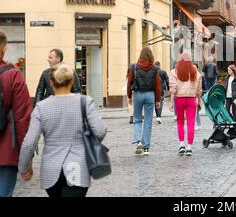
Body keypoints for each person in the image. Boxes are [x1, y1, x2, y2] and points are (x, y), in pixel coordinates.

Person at [18, 64, 107, 197]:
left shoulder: (41, 107)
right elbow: (100, 131)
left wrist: (24, 167)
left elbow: (29, 142)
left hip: (51, 168)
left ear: (51, 83)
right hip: (78, 166)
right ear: (72, 81)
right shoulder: (85, 102)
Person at [0, 32, 33, 197]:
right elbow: (23, 120)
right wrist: (26, 159)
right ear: (4, 49)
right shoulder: (13, 75)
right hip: (5, 152)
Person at [127, 47, 161, 155]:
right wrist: (158, 100)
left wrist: (129, 96)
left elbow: (129, 82)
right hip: (150, 95)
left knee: (137, 118)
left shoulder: (135, 67)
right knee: (148, 121)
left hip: (138, 94)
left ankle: (138, 141)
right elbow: (158, 86)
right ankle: (146, 148)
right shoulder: (155, 68)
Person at [169, 53, 202, 156]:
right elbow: (199, 90)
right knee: (191, 122)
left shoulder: (174, 72)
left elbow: (173, 88)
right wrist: (199, 101)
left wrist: (171, 102)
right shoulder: (195, 72)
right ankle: (189, 147)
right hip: (191, 99)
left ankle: (181, 145)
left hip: (179, 99)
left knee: (180, 122)